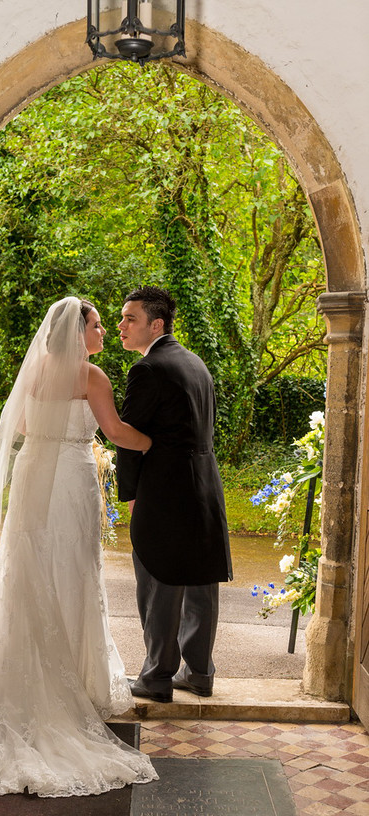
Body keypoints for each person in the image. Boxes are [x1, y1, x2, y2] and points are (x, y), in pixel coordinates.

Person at [0, 296, 158, 797]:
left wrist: (52, 434)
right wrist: (158, 445)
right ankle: (72, 684)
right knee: (72, 569)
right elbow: (118, 431)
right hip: (69, 478)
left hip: (35, 470)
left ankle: (21, 682)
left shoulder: (35, 368)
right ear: (77, 333)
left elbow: (17, 424)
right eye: (98, 326)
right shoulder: (91, 376)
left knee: (28, 567)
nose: (104, 333)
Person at [116, 286, 233, 704]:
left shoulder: (148, 369)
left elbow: (130, 438)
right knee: (200, 580)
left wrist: (129, 493)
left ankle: (157, 677)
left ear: (156, 324)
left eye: (130, 318)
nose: (121, 326)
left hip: (165, 488)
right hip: (204, 484)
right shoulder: (194, 362)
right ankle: (199, 673)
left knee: (160, 579)